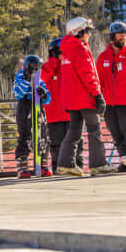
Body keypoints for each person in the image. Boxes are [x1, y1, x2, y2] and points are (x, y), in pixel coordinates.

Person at [57, 16, 111, 176]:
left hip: (71, 99)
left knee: (74, 131)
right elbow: (88, 75)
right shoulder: (80, 50)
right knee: (95, 130)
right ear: (79, 32)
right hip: (85, 98)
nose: (89, 34)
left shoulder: (66, 50)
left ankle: (65, 164)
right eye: (87, 31)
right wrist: (97, 95)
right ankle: (98, 164)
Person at [97, 21, 126, 168]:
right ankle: (125, 162)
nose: (123, 38)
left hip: (125, 103)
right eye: (120, 35)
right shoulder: (103, 57)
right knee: (116, 134)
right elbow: (98, 81)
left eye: (125, 35)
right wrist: (99, 102)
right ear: (112, 37)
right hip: (109, 104)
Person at [43, 38, 83, 174]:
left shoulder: (69, 64)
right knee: (56, 144)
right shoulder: (47, 67)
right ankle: (57, 169)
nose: (62, 54)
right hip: (54, 114)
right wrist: (54, 61)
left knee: (76, 142)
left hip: (71, 111)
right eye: (59, 52)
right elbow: (43, 78)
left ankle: (78, 166)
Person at [12, 54, 51, 178]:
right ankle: (23, 166)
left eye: (37, 67)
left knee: (43, 135)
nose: (35, 69)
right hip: (25, 106)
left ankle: (43, 164)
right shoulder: (20, 76)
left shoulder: (40, 79)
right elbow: (18, 93)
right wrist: (28, 80)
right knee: (25, 136)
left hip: (38, 106)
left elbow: (48, 99)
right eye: (33, 66)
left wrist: (44, 94)